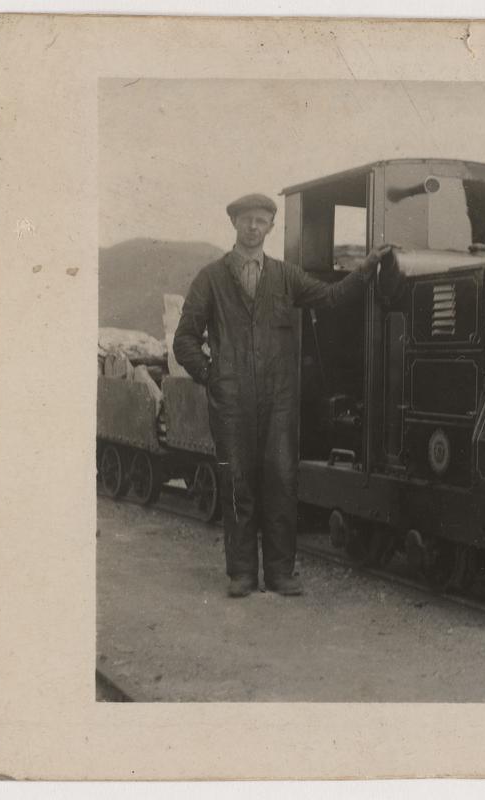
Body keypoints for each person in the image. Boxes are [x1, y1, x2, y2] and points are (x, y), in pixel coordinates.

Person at [173, 192, 394, 598]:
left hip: (278, 401)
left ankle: (279, 572)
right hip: (232, 401)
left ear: (271, 227)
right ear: (235, 225)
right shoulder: (210, 278)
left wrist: (364, 269)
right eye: (246, 220)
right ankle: (241, 573)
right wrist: (211, 374)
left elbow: (329, 298)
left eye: (261, 221)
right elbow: (184, 340)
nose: (253, 227)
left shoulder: (286, 276)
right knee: (237, 481)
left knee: (280, 481)